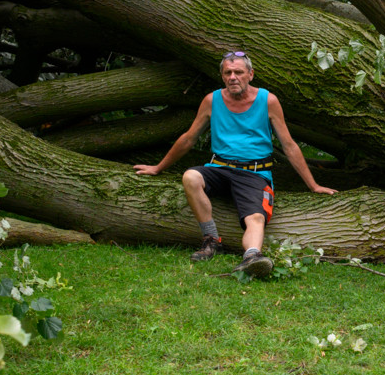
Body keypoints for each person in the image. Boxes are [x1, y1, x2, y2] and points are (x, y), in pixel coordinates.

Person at [133, 51, 334, 279]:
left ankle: (252, 257)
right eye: (228, 73)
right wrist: (158, 168)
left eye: (238, 72)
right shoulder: (212, 100)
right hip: (219, 168)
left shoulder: (268, 101)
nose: (233, 77)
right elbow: (189, 138)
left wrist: (313, 185)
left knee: (255, 218)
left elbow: (289, 146)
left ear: (250, 74)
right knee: (190, 177)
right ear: (222, 76)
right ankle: (211, 240)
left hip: (254, 173)